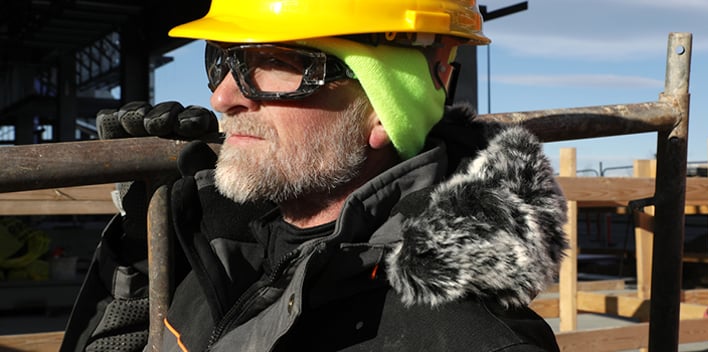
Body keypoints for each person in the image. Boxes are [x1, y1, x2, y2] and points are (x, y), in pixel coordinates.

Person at [60, 0, 569, 351]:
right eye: (225, 61)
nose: (223, 98)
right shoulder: (216, 238)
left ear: (382, 109)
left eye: (278, 63)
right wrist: (144, 236)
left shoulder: (471, 341)